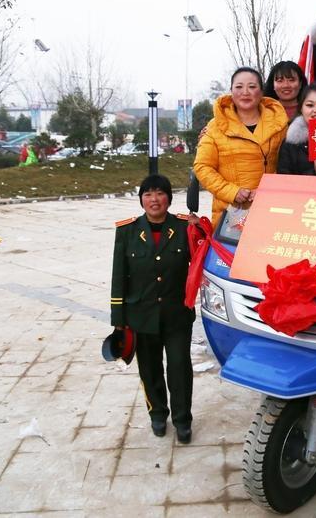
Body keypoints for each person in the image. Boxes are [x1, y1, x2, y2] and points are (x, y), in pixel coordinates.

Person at [110, 174, 197, 443]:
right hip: (141, 315)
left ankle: (182, 420)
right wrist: (118, 320)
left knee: (179, 367)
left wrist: (201, 229)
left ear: (169, 198)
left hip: (176, 314)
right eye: (148, 194)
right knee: (149, 369)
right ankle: (157, 413)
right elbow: (118, 277)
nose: (154, 199)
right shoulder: (127, 231)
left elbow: (201, 257)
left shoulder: (183, 227)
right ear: (141, 200)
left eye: (160, 193)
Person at [194, 67, 289, 227]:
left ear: (261, 91)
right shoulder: (215, 126)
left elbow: (288, 166)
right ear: (231, 91)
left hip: (271, 209)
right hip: (230, 214)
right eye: (239, 87)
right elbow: (202, 167)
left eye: (252, 86)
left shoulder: (278, 124)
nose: (245, 92)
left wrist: (267, 191)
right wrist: (232, 192)